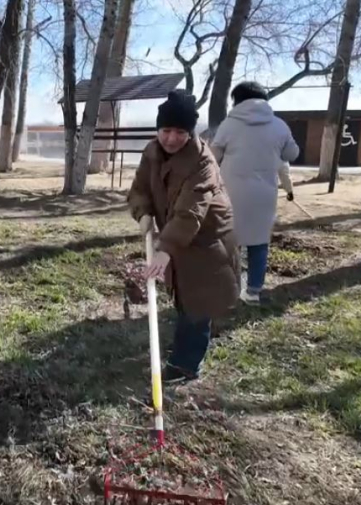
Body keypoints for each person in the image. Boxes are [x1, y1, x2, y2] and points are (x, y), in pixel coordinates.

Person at [128, 90, 240, 384]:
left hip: (207, 238)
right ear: (158, 129)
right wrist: (143, 213)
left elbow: (191, 211)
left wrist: (166, 249)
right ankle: (187, 345)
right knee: (183, 294)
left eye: (181, 132)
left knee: (198, 300)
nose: (172, 138)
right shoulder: (152, 151)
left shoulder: (202, 162)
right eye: (166, 130)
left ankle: (185, 366)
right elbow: (140, 188)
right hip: (176, 233)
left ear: (191, 132)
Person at [210, 81, 300, 304]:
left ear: (236, 101)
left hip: (230, 192)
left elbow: (213, 156)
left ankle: (230, 289)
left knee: (231, 242)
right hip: (264, 195)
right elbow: (292, 153)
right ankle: (253, 292)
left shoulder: (229, 125)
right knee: (259, 242)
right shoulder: (279, 125)